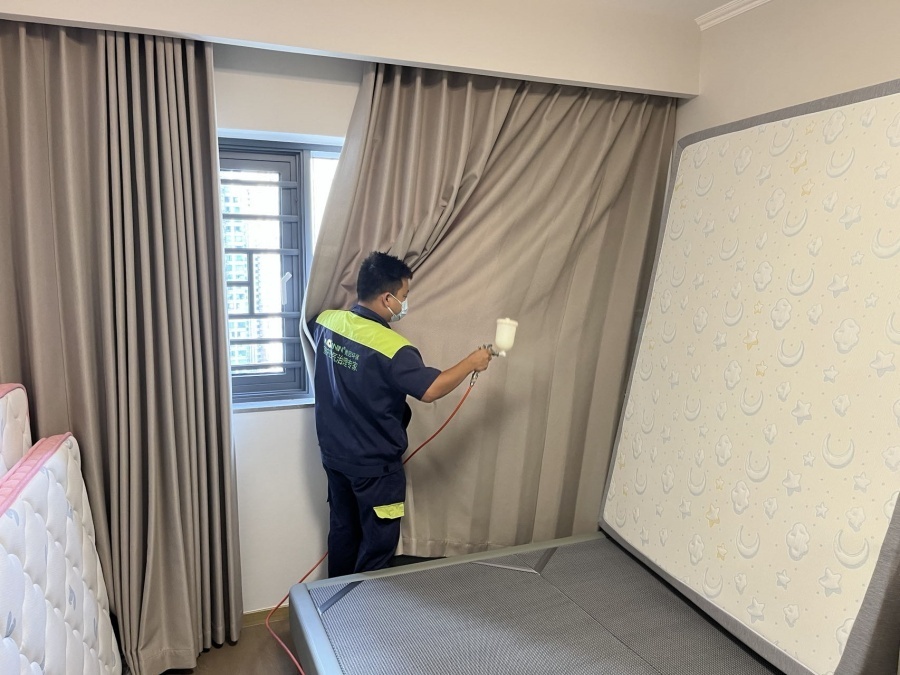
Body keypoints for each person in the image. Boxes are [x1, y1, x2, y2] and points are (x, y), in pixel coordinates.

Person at [310, 251, 492, 577]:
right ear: (387, 298)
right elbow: (431, 389)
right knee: (377, 546)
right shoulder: (393, 348)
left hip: (334, 457)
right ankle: (367, 607)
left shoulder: (327, 321)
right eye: (403, 296)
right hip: (376, 470)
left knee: (343, 532)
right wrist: (471, 362)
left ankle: (333, 605)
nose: (404, 304)